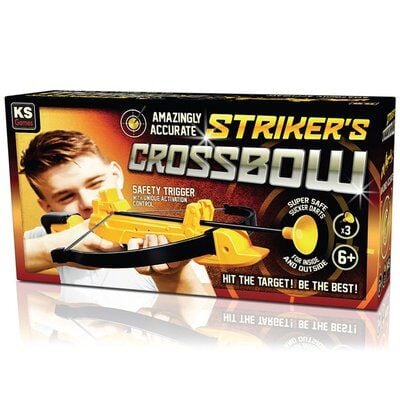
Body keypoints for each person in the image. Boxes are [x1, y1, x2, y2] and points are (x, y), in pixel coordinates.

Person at [21, 130, 214, 296]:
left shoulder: (171, 235)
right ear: (47, 207)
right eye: (66, 197)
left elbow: (206, 314)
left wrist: (174, 276)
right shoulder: (48, 236)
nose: (87, 202)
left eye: (96, 183)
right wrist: (51, 248)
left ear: (116, 175)